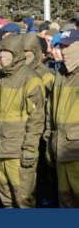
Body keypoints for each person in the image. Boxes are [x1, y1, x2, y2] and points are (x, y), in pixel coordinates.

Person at [0, 35, 45, 207]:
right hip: (1, 149)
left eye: (6, 53)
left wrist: (30, 149)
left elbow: (36, 119)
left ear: (16, 54)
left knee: (23, 199)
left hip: (19, 151)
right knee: (6, 197)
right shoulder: (0, 78)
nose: (1, 56)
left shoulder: (31, 79)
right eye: (0, 52)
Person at [23, 33, 57, 207]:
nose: (23, 54)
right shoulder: (19, 74)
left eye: (27, 51)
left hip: (42, 134)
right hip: (24, 134)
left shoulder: (47, 75)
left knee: (43, 175)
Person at [50, 30, 79, 207]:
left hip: (76, 151)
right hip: (60, 149)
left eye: (67, 46)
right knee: (65, 199)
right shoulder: (60, 74)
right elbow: (50, 112)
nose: (62, 50)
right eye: (61, 46)